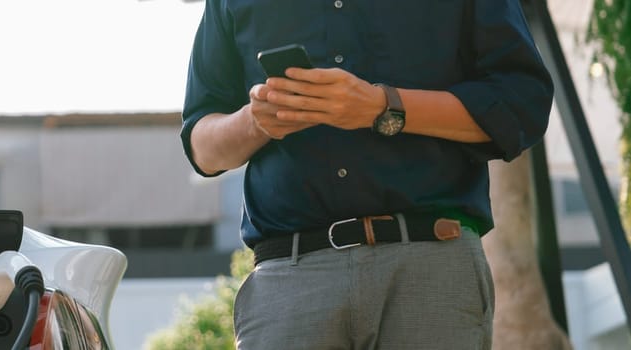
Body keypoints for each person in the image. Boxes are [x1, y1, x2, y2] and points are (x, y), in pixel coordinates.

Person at [180, 0, 553, 349]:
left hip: (431, 270)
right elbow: (202, 146)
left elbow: (522, 103)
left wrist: (382, 107)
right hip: (288, 283)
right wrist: (255, 122)